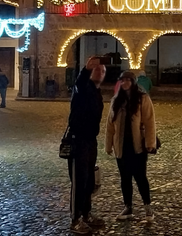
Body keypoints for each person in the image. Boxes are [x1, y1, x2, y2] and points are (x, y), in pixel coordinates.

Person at [105, 71, 156, 222]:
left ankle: (148, 208)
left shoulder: (142, 99)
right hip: (121, 146)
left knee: (140, 177)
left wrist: (150, 143)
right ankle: (128, 207)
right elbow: (110, 125)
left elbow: (149, 122)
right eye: (123, 80)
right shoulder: (116, 100)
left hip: (138, 146)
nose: (125, 82)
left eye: (128, 80)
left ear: (133, 82)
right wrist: (108, 145)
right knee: (125, 178)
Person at [67, 57, 106, 235]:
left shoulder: (97, 92)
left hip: (91, 140)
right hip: (78, 140)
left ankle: (86, 215)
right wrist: (85, 70)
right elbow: (79, 83)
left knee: (89, 180)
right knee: (79, 181)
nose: (100, 72)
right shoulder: (83, 88)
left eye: (103, 71)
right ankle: (75, 220)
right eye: (96, 70)